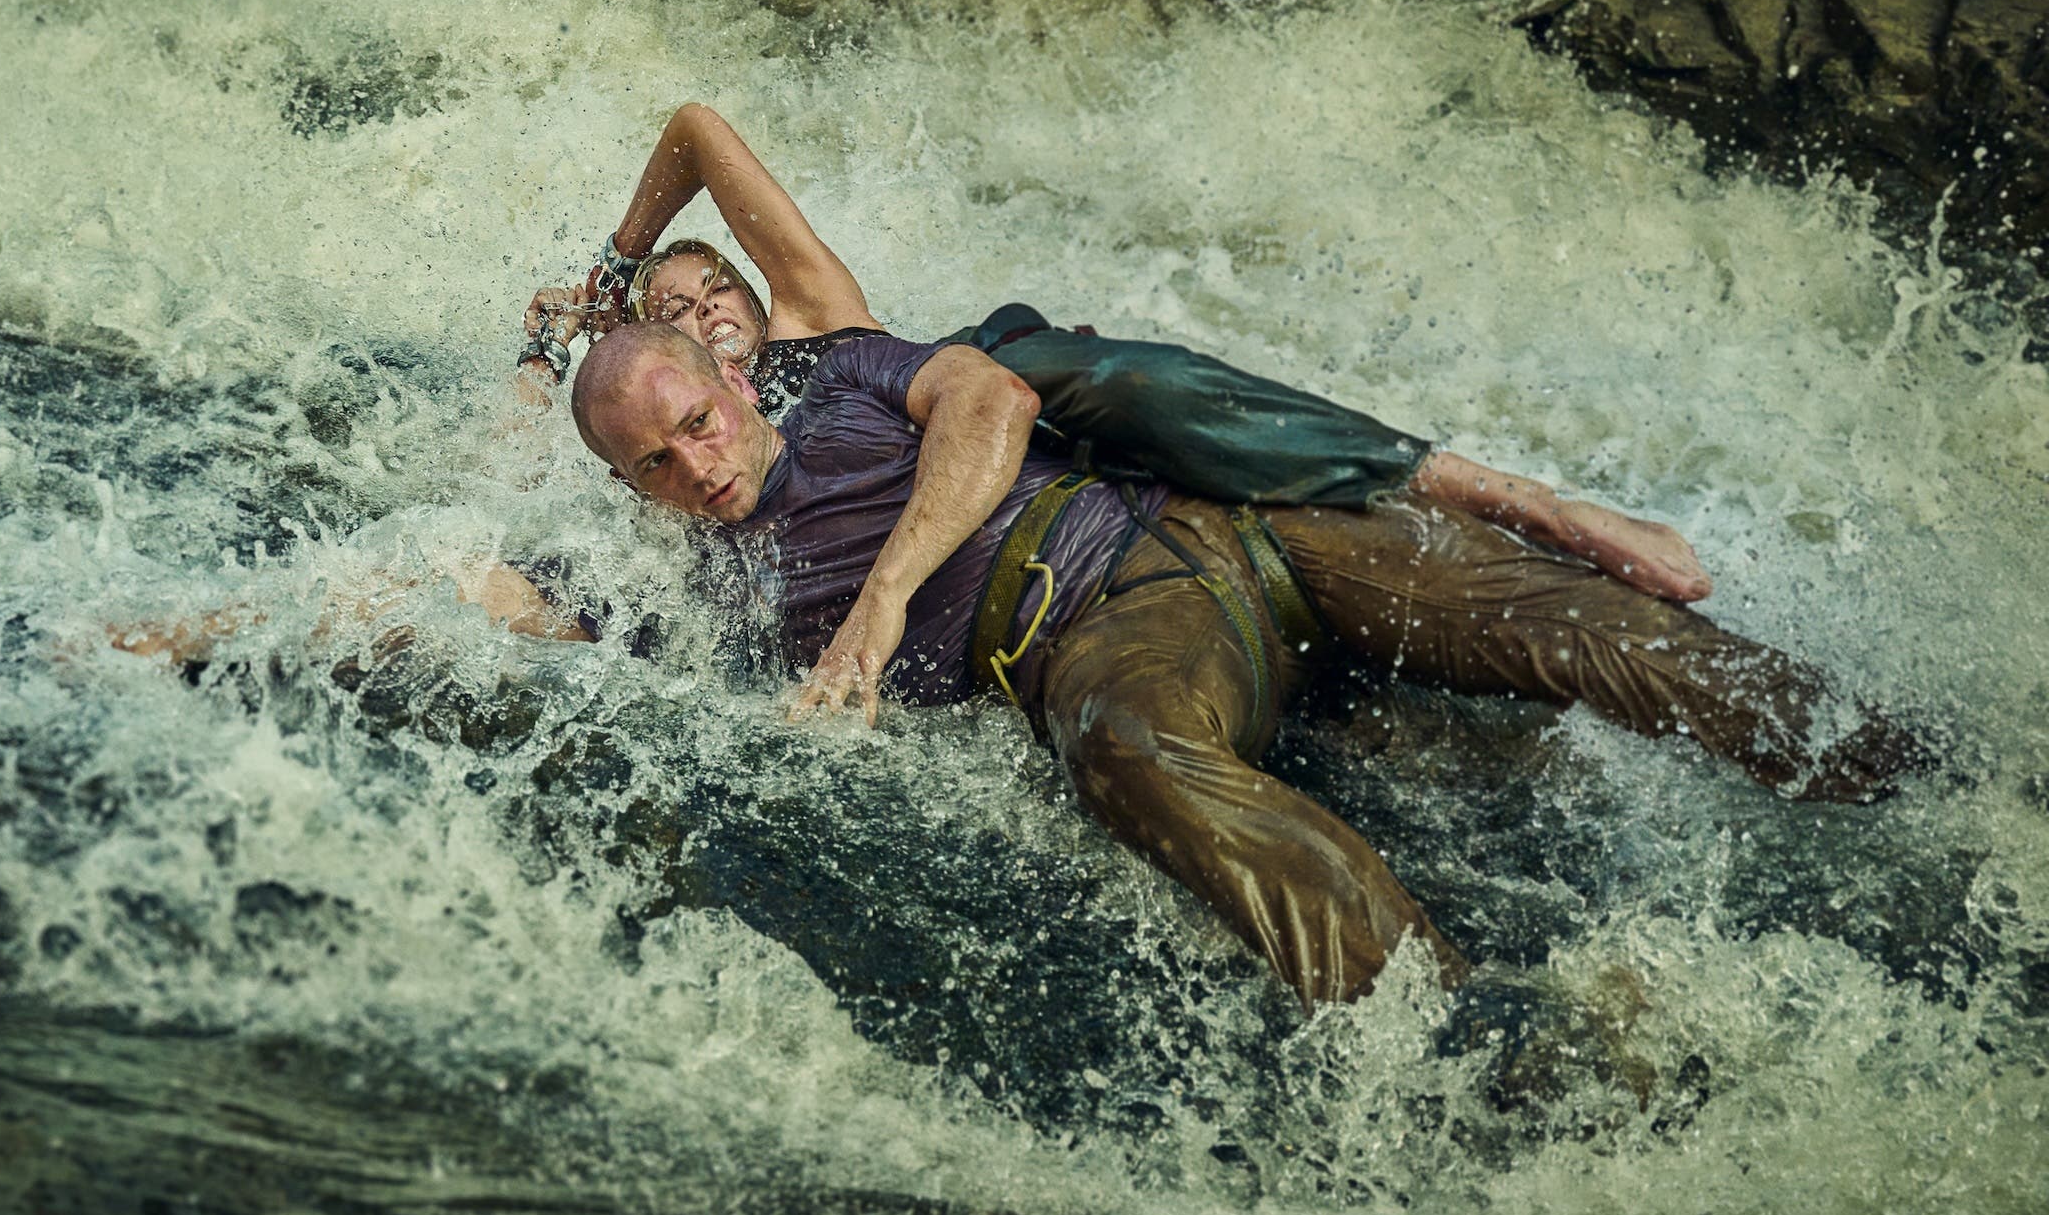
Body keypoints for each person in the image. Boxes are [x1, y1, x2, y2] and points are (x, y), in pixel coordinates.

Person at [564, 319, 1923, 1011]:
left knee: (1591, 627)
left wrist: (881, 603)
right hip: (1105, 638)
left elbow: (995, 400)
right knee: (1123, 751)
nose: (698, 463)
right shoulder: (719, 604)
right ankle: (1460, 1040)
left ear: (728, 381)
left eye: (695, 420)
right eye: (655, 463)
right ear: (633, 485)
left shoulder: (846, 375)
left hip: (1216, 517)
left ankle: (1916, 780)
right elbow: (580, 647)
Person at [520, 104, 1712, 605]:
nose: (698, 313)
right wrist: (544, 354)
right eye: (666, 309)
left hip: (1001, 396)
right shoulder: (676, 469)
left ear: (744, 298)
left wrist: (618, 260)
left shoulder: (815, 316)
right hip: (989, 563)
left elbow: (695, 127)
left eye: (708, 290)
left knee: (1108, 377)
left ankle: (1512, 497)